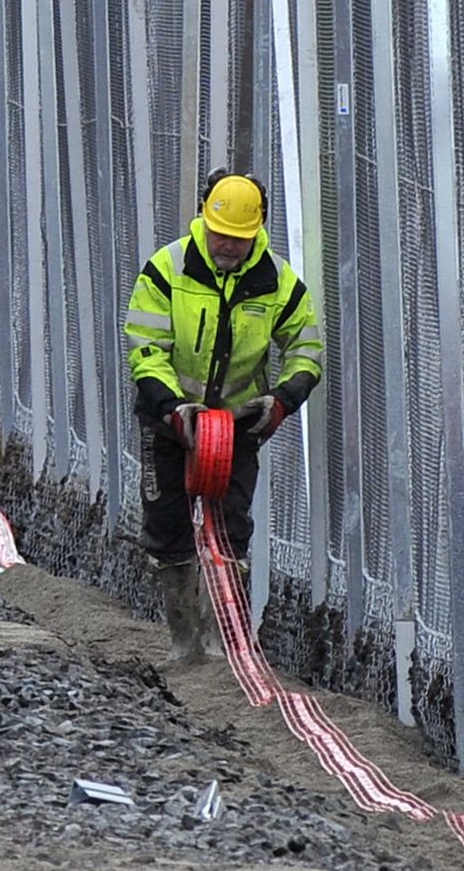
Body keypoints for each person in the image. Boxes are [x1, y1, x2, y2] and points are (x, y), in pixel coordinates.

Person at [121, 170, 323, 664]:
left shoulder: (277, 283)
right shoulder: (166, 271)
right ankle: (183, 637)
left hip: (237, 425)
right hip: (167, 420)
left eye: (238, 238)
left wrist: (279, 401)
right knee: (167, 528)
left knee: (230, 526)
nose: (228, 246)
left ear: (256, 233)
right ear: (203, 221)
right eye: (220, 235)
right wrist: (172, 409)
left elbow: (307, 348)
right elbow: (145, 350)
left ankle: (219, 641)